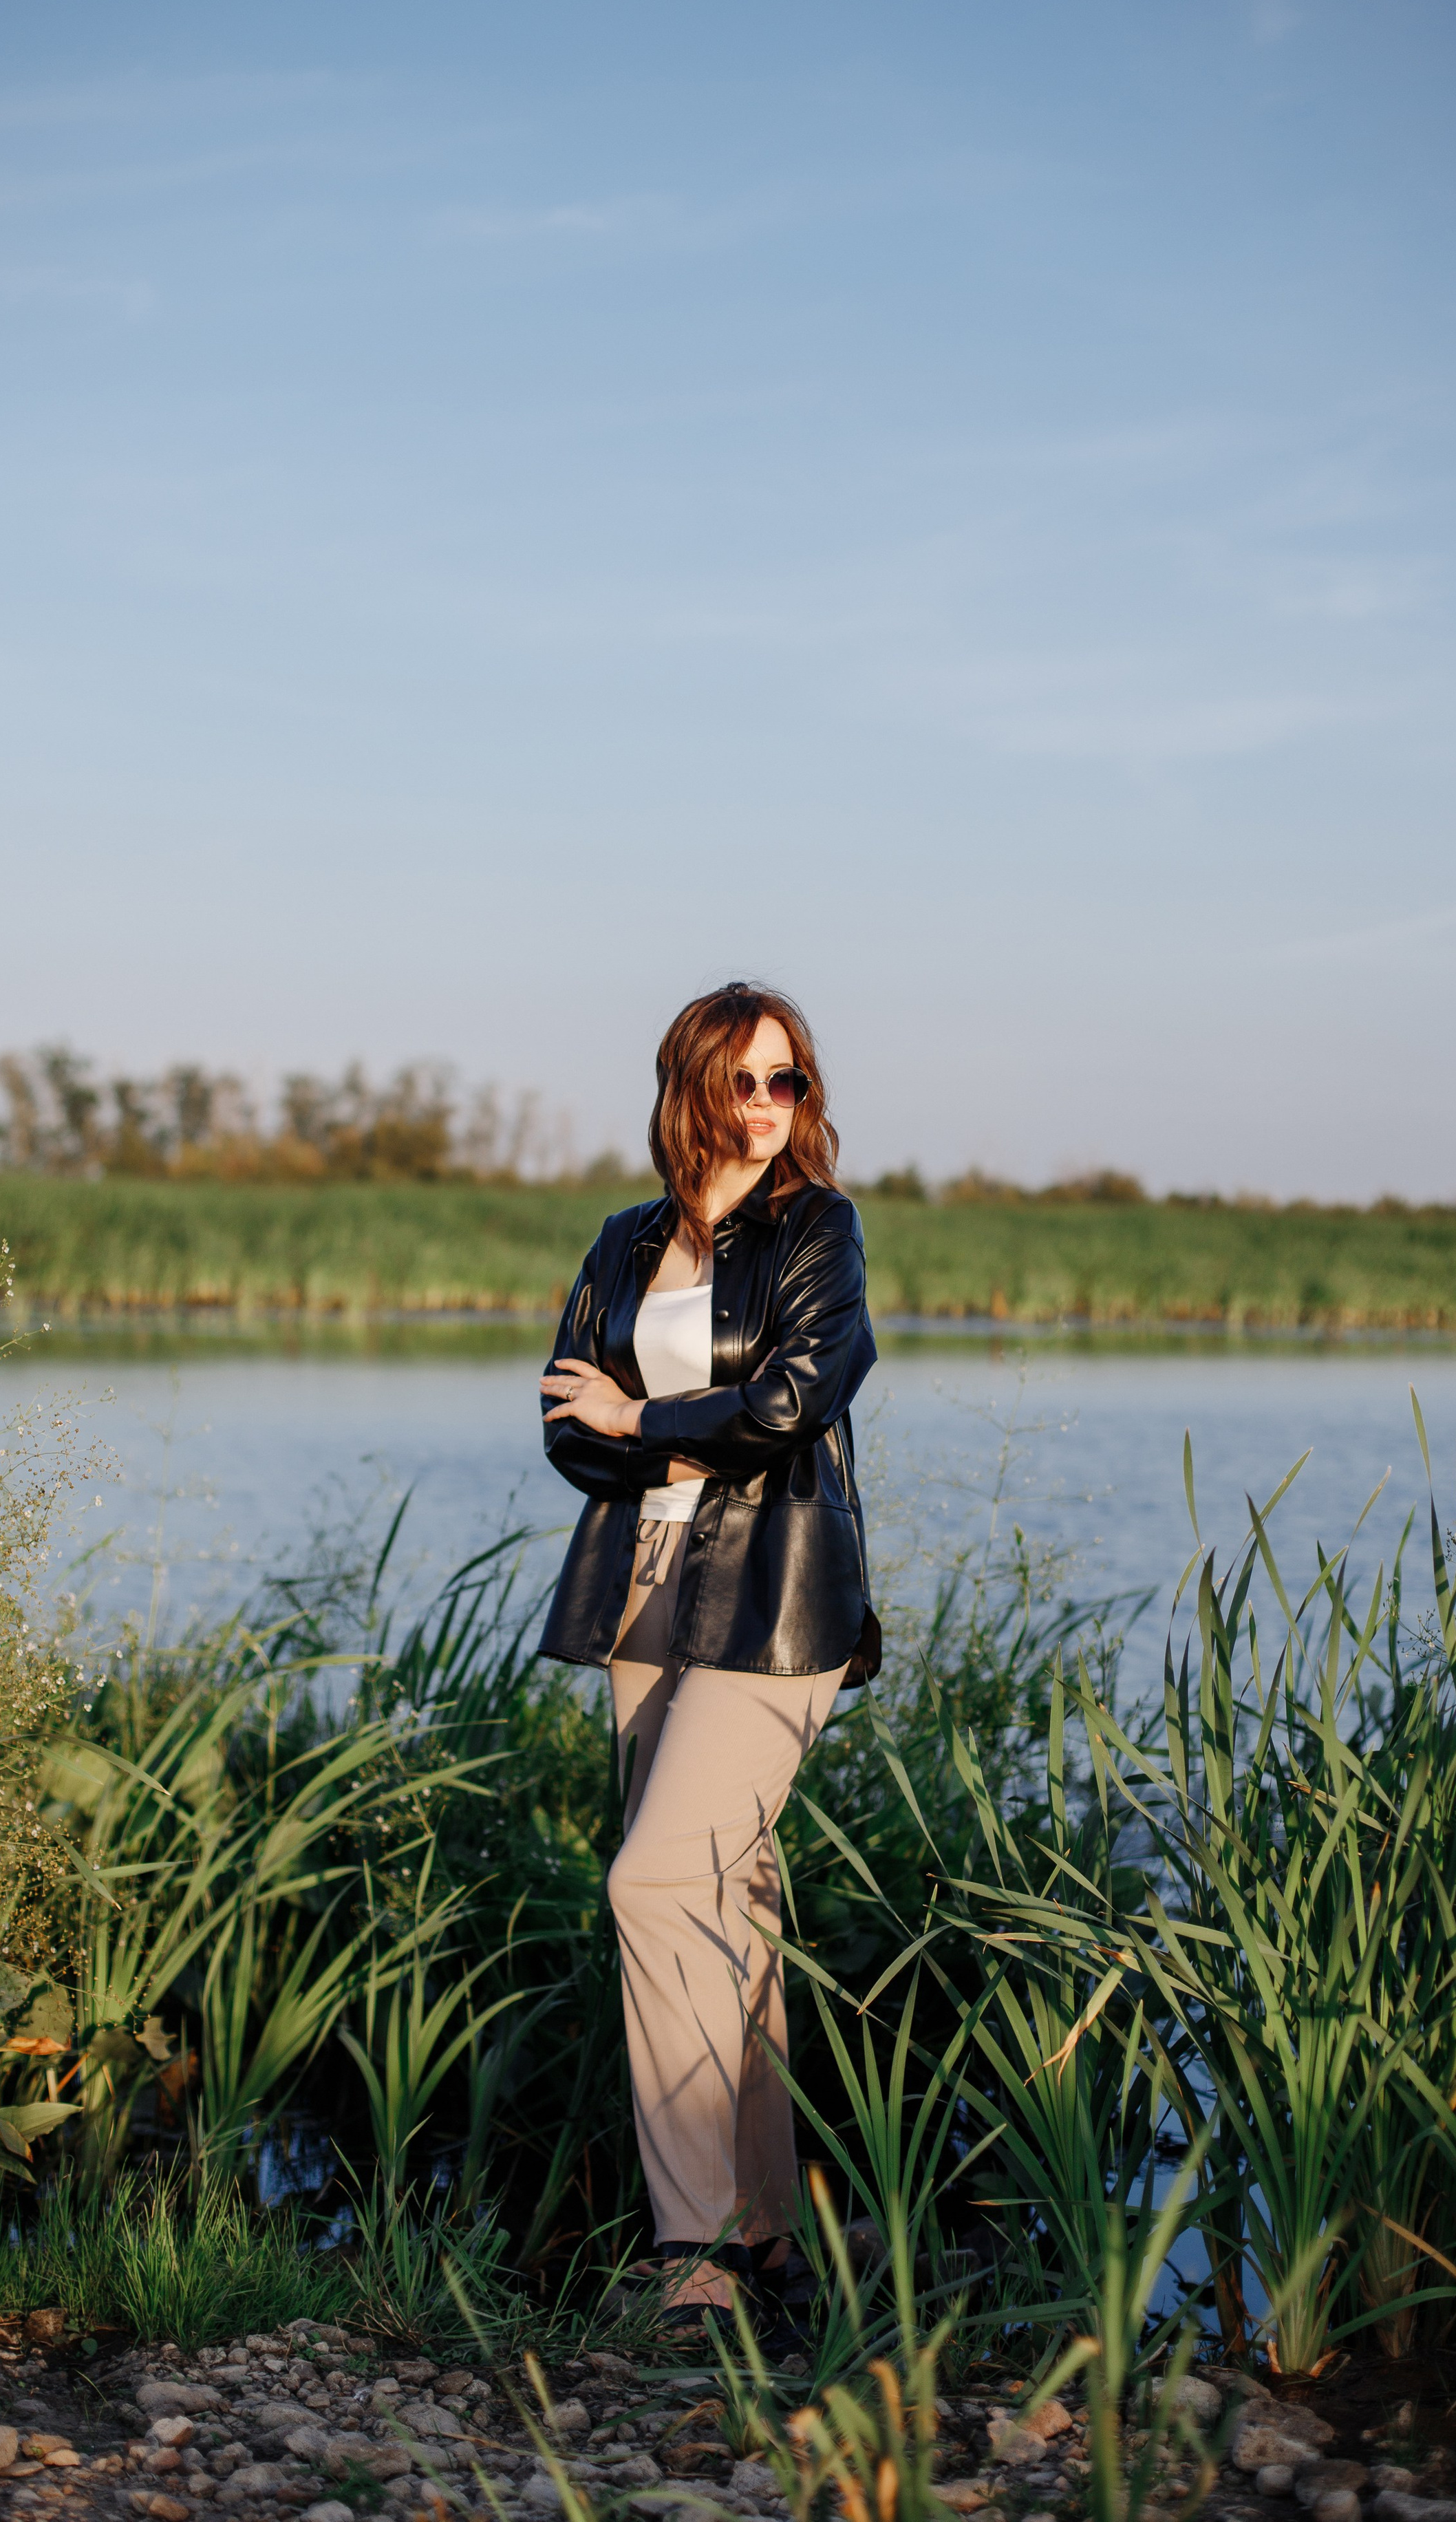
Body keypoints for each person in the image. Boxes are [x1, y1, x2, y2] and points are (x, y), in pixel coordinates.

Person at [537, 980, 880, 2332]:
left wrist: (644, 1422)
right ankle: (769, 2236)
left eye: (785, 1079)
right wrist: (657, 1440)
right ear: (691, 1087)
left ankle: (696, 2258)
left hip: (775, 1591)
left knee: (654, 1882)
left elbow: (797, 1398)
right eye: (741, 1078)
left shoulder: (815, 1230)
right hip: (641, 1585)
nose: (765, 1103)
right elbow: (565, 1423)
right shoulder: (626, 1242)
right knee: (724, 1905)